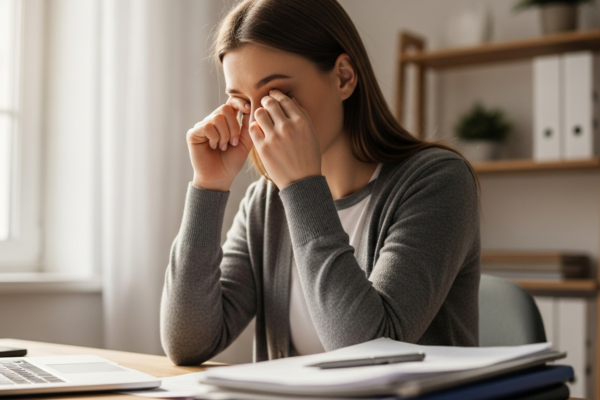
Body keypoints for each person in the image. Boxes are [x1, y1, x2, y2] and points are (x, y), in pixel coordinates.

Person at [160, 0, 480, 365]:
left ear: (343, 76)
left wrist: (301, 188)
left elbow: (369, 354)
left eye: (276, 96)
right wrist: (208, 186)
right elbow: (187, 343)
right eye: (242, 103)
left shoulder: (437, 181)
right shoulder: (267, 201)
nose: (257, 123)